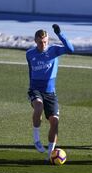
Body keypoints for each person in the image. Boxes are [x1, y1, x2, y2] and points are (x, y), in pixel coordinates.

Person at [26, 24, 74, 162]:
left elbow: (71, 49)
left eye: (45, 41)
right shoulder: (29, 54)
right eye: (40, 42)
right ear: (35, 41)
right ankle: (36, 139)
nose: (43, 44)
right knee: (38, 107)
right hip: (35, 89)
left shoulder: (54, 50)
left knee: (54, 121)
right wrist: (31, 87)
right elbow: (31, 71)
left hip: (50, 92)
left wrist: (60, 34)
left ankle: (50, 154)